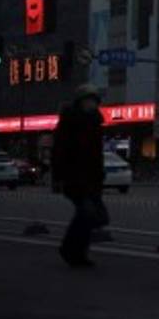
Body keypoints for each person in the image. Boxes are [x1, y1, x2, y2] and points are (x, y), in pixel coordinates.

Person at [51, 83, 106, 267]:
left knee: (92, 216)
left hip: (92, 177)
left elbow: (97, 154)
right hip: (74, 176)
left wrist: (100, 174)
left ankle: (78, 253)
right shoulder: (70, 121)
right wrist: (58, 177)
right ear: (81, 102)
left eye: (94, 101)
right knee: (87, 213)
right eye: (89, 100)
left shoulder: (96, 122)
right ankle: (70, 249)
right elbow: (59, 151)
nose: (92, 104)